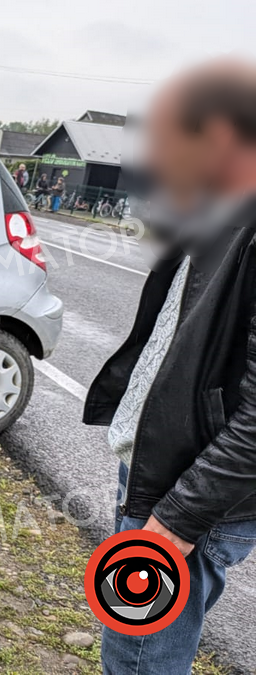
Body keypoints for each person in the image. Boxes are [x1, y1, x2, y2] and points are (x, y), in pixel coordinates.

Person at [83, 58, 256, 674]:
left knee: (139, 662)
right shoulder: (216, 213)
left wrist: (177, 518)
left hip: (190, 497)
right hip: (162, 474)